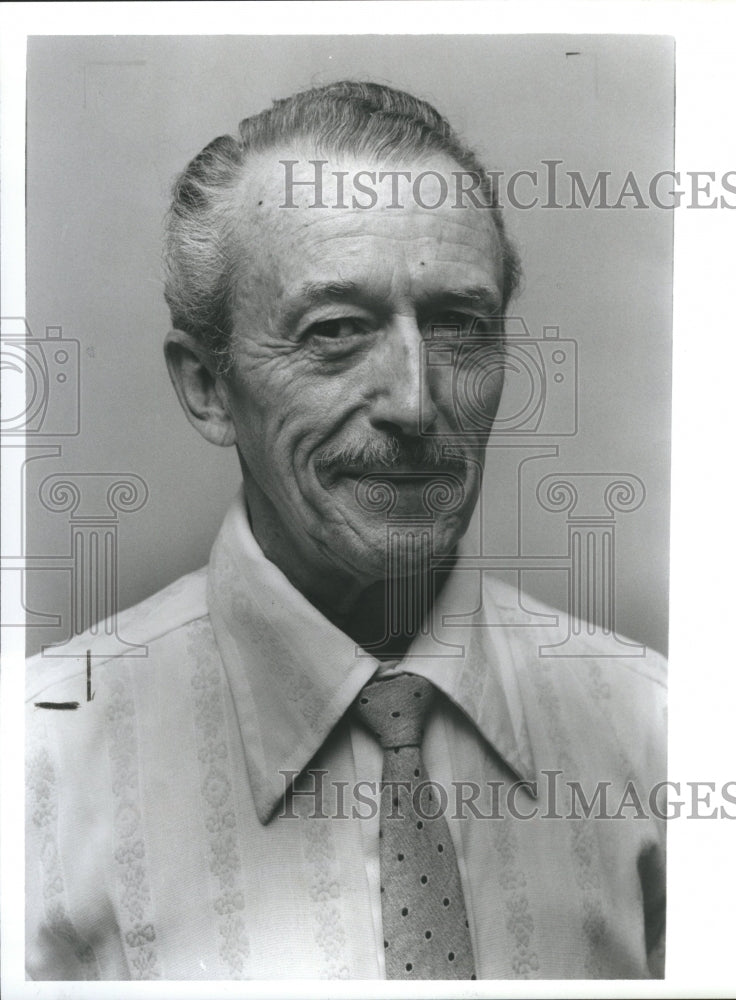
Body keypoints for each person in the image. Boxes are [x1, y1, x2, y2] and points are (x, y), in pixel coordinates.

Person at [26, 81, 666, 981]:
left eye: (459, 328)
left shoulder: (656, 729)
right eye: (335, 331)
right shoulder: (40, 766)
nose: (413, 402)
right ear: (207, 387)